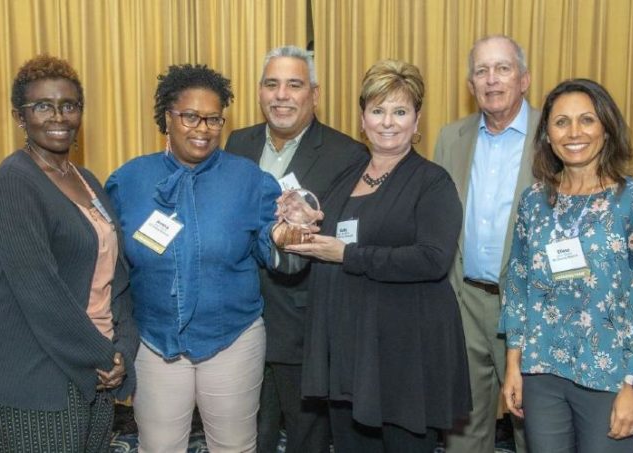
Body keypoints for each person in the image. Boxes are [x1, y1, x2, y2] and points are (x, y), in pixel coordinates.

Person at [284, 59, 470, 452]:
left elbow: (433, 259)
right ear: (362, 119)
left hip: (404, 354)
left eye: (400, 112)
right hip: (351, 350)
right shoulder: (346, 177)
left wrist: (348, 255)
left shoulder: (432, 182)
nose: (388, 122)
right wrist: (303, 218)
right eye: (378, 110)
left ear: (417, 121)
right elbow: (327, 240)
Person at [105, 64, 281, 453]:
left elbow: (272, 250)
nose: (203, 128)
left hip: (233, 338)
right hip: (154, 341)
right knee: (159, 447)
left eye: (213, 119)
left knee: (234, 447)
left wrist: (286, 235)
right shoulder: (129, 181)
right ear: (167, 117)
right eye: (190, 116)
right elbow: (111, 265)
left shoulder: (249, 180)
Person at [499, 78, 633, 452]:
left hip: (612, 377)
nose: (574, 132)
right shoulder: (534, 202)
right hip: (541, 372)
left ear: (606, 129)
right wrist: (513, 365)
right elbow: (518, 283)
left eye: (587, 120)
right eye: (561, 122)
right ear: (547, 135)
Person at [0, 54, 139, 453]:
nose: (58, 117)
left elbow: (116, 277)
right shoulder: (15, 181)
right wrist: (102, 355)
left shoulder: (86, 180)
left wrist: (123, 349)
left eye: (69, 106)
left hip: (97, 368)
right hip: (40, 375)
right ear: (20, 116)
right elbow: (41, 292)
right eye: (43, 106)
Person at [226, 45, 368, 453]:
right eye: (272, 84)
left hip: (304, 323)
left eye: (294, 85)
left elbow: (345, 239)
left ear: (314, 94)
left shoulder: (347, 155)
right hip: (239, 319)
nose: (281, 95)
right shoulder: (237, 143)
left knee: (307, 437)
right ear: (259, 91)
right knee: (248, 434)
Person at [432, 34, 537, 452]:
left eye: (503, 68)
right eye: (481, 71)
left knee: (535, 428)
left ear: (524, 79)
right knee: (464, 429)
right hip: (466, 302)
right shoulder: (450, 138)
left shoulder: (554, 135)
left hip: (531, 308)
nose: (492, 79)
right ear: (470, 84)